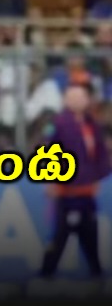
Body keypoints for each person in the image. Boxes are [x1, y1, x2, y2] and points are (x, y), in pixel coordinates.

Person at [39, 83, 110, 280]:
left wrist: (98, 175)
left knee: (90, 233)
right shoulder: (59, 124)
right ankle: (46, 273)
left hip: (87, 190)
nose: (78, 101)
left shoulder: (92, 124)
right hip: (66, 191)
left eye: (81, 97)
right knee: (60, 235)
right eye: (73, 97)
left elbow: (100, 153)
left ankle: (96, 272)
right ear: (66, 101)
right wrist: (50, 181)